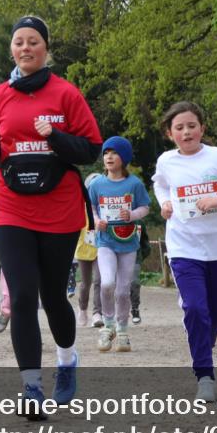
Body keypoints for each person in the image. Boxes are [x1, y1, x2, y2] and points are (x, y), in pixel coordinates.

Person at [0, 15, 102, 418]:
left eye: (33, 41)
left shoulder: (66, 93)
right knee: (24, 296)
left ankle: (67, 360)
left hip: (59, 207)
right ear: (11, 49)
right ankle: (31, 388)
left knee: (52, 297)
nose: (25, 48)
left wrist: (55, 137)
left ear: (46, 48)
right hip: (11, 204)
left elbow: (90, 150)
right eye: (18, 42)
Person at [153, 101, 217, 402]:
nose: (186, 131)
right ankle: (204, 375)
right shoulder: (166, 161)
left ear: (202, 128)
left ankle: (203, 344)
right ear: (170, 133)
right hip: (183, 246)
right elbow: (161, 187)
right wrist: (164, 204)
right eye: (179, 128)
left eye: (192, 125)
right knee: (195, 308)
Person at [89, 136, 150, 353]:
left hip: (128, 242)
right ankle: (107, 327)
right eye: (106, 153)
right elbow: (91, 208)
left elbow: (145, 207)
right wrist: (96, 221)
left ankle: (122, 330)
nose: (109, 157)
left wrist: (132, 214)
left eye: (114, 153)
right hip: (105, 241)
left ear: (123, 158)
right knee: (106, 283)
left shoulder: (133, 184)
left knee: (123, 290)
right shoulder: (96, 184)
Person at [75, 173, 103, 328]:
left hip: (101, 247)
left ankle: (97, 313)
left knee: (100, 280)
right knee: (86, 283)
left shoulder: (102, 205)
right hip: (84, 248)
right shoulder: (80, 204)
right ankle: (82, 309)